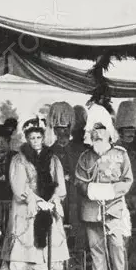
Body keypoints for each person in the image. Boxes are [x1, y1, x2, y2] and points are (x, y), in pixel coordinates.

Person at [0, 116, 70, 270]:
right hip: (27, 208)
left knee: (51, 240)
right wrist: (37, 201)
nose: (36, 141)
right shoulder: (19, 159)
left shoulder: (53, 159)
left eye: (38, 138)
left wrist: (53, 198)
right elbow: (19, 187)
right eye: (32, 138)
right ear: (27, 139)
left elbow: (60, 184)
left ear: (43, 138)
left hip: (49, 206)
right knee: (27, 241)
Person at [75, 104, 134, 270]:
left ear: (110, 133)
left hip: (114, 208)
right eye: (94, 132)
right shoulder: (85, 157)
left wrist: (110, 191)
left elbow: (127, 180)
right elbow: (79, 180)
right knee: (96, 247)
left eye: (102, 132)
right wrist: (92, 190)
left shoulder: (121, 154)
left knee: (117, 246)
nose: (98, 136)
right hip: (91, 209)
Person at [115, 101, 136, 270]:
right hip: (121, 198)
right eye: (127, 131)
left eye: (132, 131)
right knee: (122, 237)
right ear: (120, 131)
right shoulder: (115, 151)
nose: (130, 134)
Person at [50, 101, 86, 239]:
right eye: (59, 129)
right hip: (57, 196)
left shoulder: (80, 150)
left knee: (78, 230)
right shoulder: (49, 152)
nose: (63, 133)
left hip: (76, 196)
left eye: (66, 129)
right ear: (54, 130)